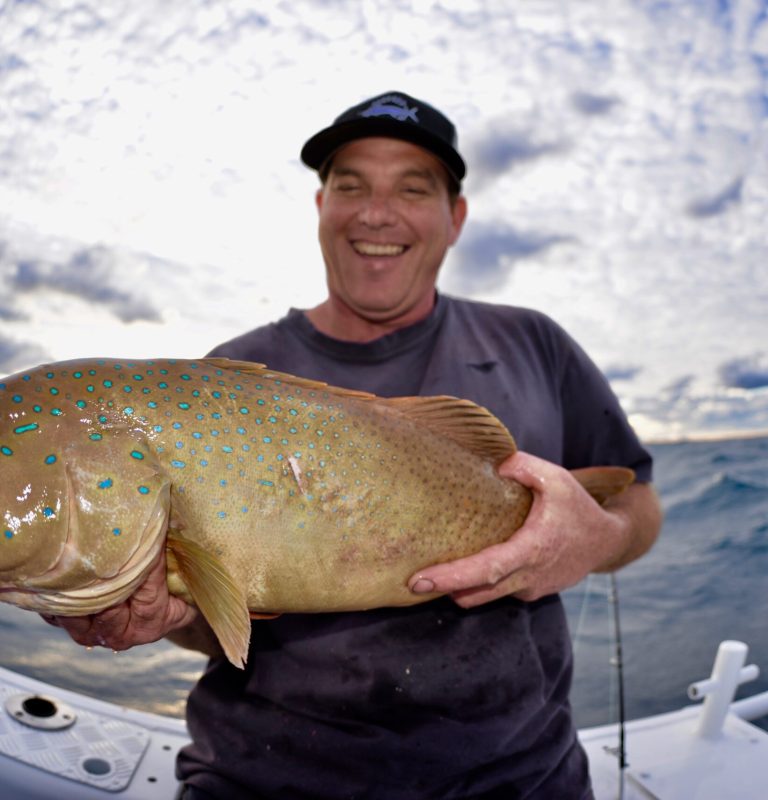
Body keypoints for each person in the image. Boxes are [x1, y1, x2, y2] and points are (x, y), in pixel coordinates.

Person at [46, 91, 662, 799]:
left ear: (456, 217)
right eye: (351, 185)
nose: (376, 213)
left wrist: (600, 538)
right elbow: (212, 625)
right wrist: (163, 615)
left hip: (521, 779)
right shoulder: (224, 380)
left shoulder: (535, 343)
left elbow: (638, 500)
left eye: (412, 188)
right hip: (262, 780)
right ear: (321, 206)